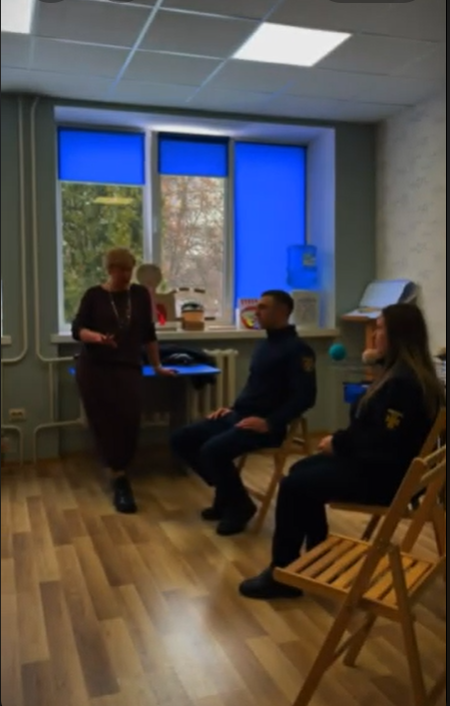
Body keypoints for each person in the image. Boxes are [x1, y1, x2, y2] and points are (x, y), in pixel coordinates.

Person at [239, 303, 445, 600]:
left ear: (398, 335)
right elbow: (374, 432)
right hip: (384, 467)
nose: (374, 335)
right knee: (300, 471)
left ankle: (282, 572)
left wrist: (338, 444)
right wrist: (340, 441)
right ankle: (318, 553)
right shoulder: (403, 374)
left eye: (380, 329)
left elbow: (382, 442)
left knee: (294, 485)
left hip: (387, 479)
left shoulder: (403, 384)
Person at [170, 290, 317, 536]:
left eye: (263, 307)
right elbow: (255, 388)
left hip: (265, 426)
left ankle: (239, 507)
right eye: (257, 306)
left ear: (282, 312)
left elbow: (305, 397)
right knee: (181, 439)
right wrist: (231, 408)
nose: (256, 312)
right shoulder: (264, 345)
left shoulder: (298, 350)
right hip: (239, 415)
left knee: (212, 451)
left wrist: (270, 422)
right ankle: (228, 495)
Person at [72, 247, 175, 514]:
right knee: (104, 421)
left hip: (128, 367)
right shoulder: (94, 296)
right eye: (121, 270)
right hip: (94, 368)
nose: (127, 275)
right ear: (110, 270)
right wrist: (97, 338)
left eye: (130, 269)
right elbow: (77, 329)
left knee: (129, 418)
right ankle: (119, 478)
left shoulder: (139, 295)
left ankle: (121, 468)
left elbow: (149, 333)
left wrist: (157, 365)